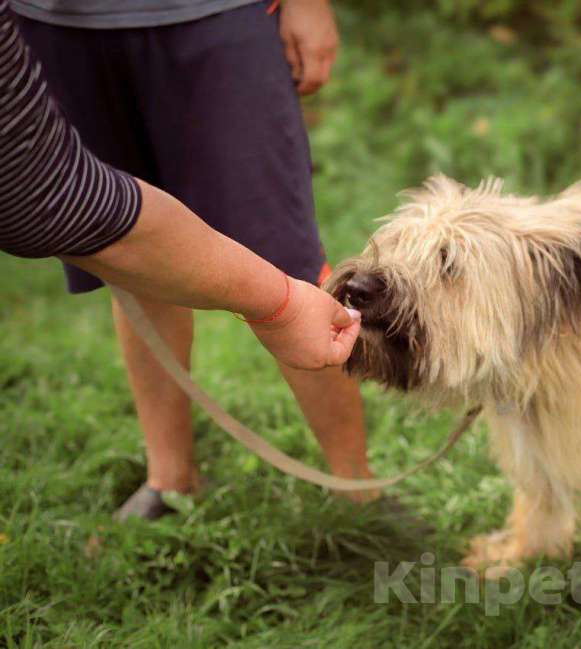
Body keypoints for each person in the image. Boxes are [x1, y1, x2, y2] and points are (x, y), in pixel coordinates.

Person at [10, 0, 377, 518]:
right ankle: (170, 483)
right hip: (52, 23)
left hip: (216, 14)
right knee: (127, 254)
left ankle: (357, 488)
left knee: (286, 260)